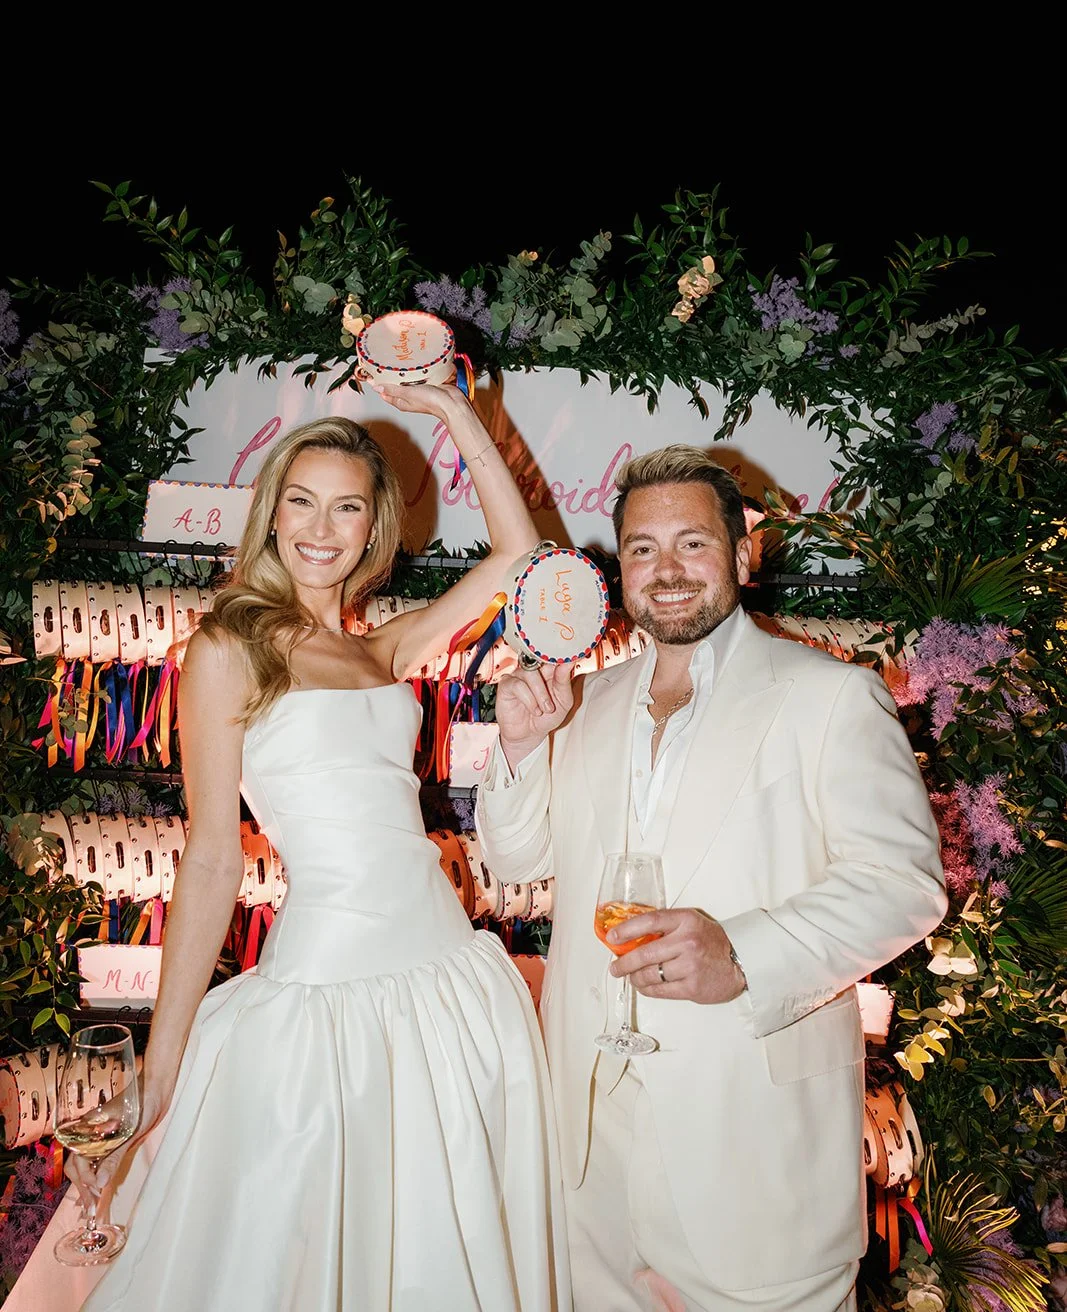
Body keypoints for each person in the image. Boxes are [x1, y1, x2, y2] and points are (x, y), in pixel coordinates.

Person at [61, 386, 570, 1311]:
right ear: (271, 511)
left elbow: (521, 555)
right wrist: (162, 1063)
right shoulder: (226, 647)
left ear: (375, 524)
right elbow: (213, 857)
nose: (320, 527)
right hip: (325, 983)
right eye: (301, 500)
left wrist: (455, 412)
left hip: (447, 973)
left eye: (347, 505)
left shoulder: (384, 650)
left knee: (434, 1234)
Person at [476, 445, 948, 1312]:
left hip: (753, 1150)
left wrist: (742, 954)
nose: (667, 570)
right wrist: (515, 748)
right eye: (643, 549)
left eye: (692, 543)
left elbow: (904, 883)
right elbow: (515, 862)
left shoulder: (831, 697)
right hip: (589, 1157)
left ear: (742, 553)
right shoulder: (584, 701)